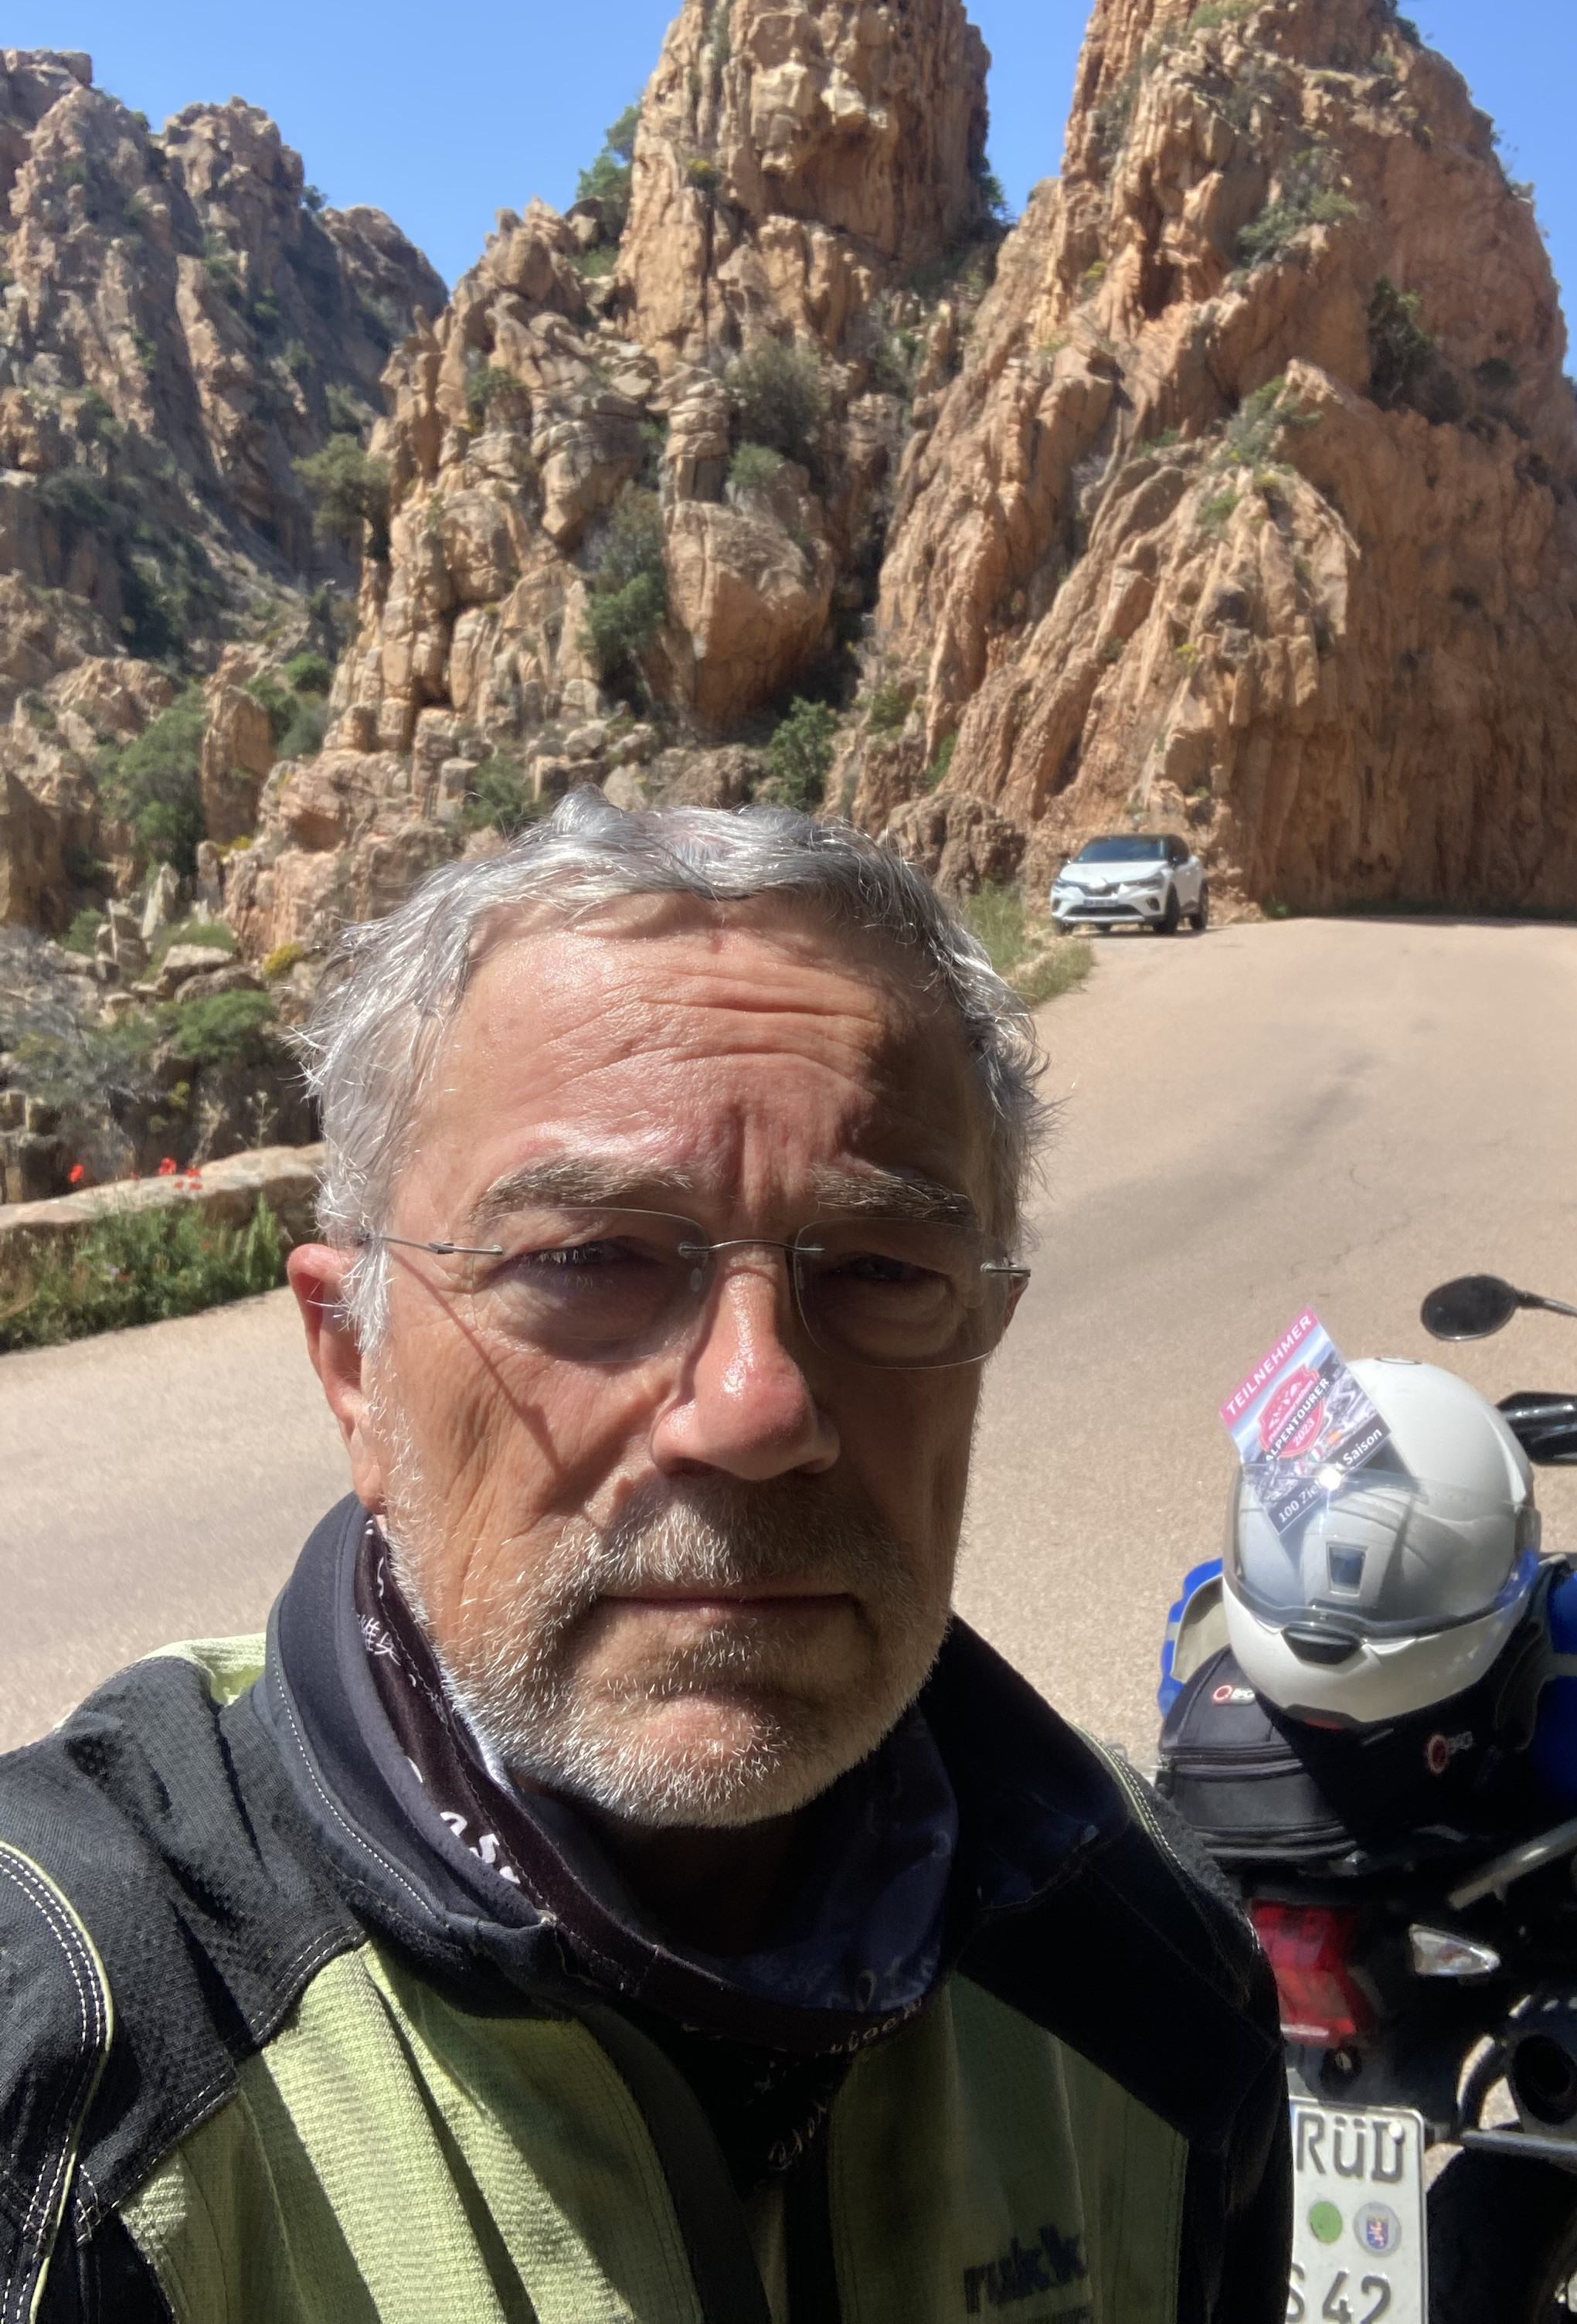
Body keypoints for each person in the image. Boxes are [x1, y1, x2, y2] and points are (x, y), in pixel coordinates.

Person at [0, 801, 1290, 2323]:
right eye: (589, 1257)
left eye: (878, 1268)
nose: (756, 1405)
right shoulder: (68, 2057)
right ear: (355, 1364)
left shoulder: (1144, 1961)